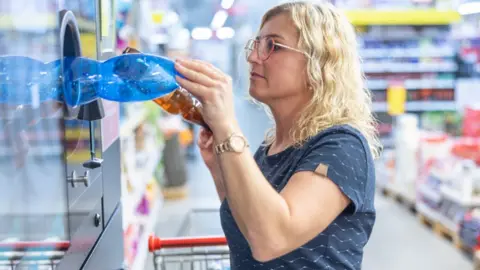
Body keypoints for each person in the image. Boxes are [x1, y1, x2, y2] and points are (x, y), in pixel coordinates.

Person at [173, 1, 381, 269]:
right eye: (257, 45)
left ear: (319, 62)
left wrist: (228, 127)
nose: (253, 57)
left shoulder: (342, 147)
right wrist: (219, 166)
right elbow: (247, 222)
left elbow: (271, 238)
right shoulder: (272, 148)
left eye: (273, 46)